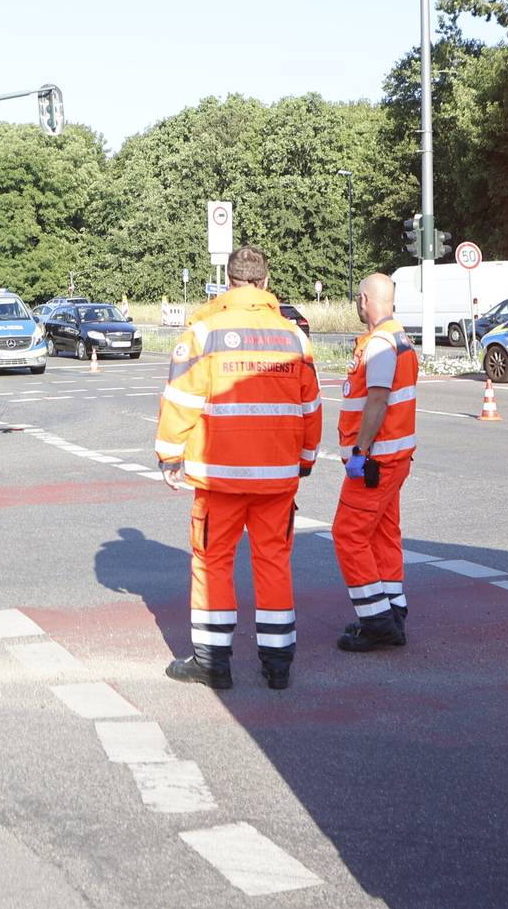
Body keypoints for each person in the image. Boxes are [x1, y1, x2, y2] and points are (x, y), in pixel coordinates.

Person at [153, 245, 321, 690]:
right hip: (277, 474)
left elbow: (181, 397)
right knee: (273, 562)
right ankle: (278, 663)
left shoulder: (204, 331)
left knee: (212, 562)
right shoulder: (293, 336)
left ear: (228, 282)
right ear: (265, 282)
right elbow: (311, 408)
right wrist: (304, 460)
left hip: (219, 474)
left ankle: (212, 663)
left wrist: (170, 454)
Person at [333, 272, 420, 652]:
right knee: (383, 534)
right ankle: (392, 609)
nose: (357, 303)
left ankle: (376, 621)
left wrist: (360, 452)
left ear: (366, 300)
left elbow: (377, 400)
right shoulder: (398, 338)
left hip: (375, 461)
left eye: (358, 298)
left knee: (348, 535)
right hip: (395, 458)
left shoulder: (381, 343)